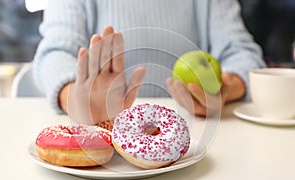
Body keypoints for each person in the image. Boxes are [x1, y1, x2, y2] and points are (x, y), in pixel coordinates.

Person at [33, 0, 266, 125]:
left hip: (195, 137)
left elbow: (242, 52)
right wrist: (76, 99)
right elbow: (55, 52)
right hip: (103, 137)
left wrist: (226, 89)